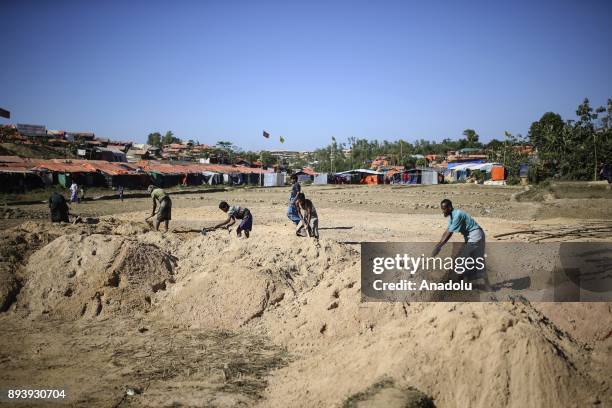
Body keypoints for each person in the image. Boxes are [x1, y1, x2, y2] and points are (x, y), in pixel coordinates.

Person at [432, 199, 491, 291]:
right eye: (442, 209)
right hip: (476, 236)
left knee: (460, 259)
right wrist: (438, 246)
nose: (443, 211)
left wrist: (439, 247)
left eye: (444, 209)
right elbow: (447, 231)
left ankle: (460, 285)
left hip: (475, 236)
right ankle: (488, 287)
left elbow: (449, 234)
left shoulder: (457, 215)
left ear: (450, 207)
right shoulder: (452, 216)